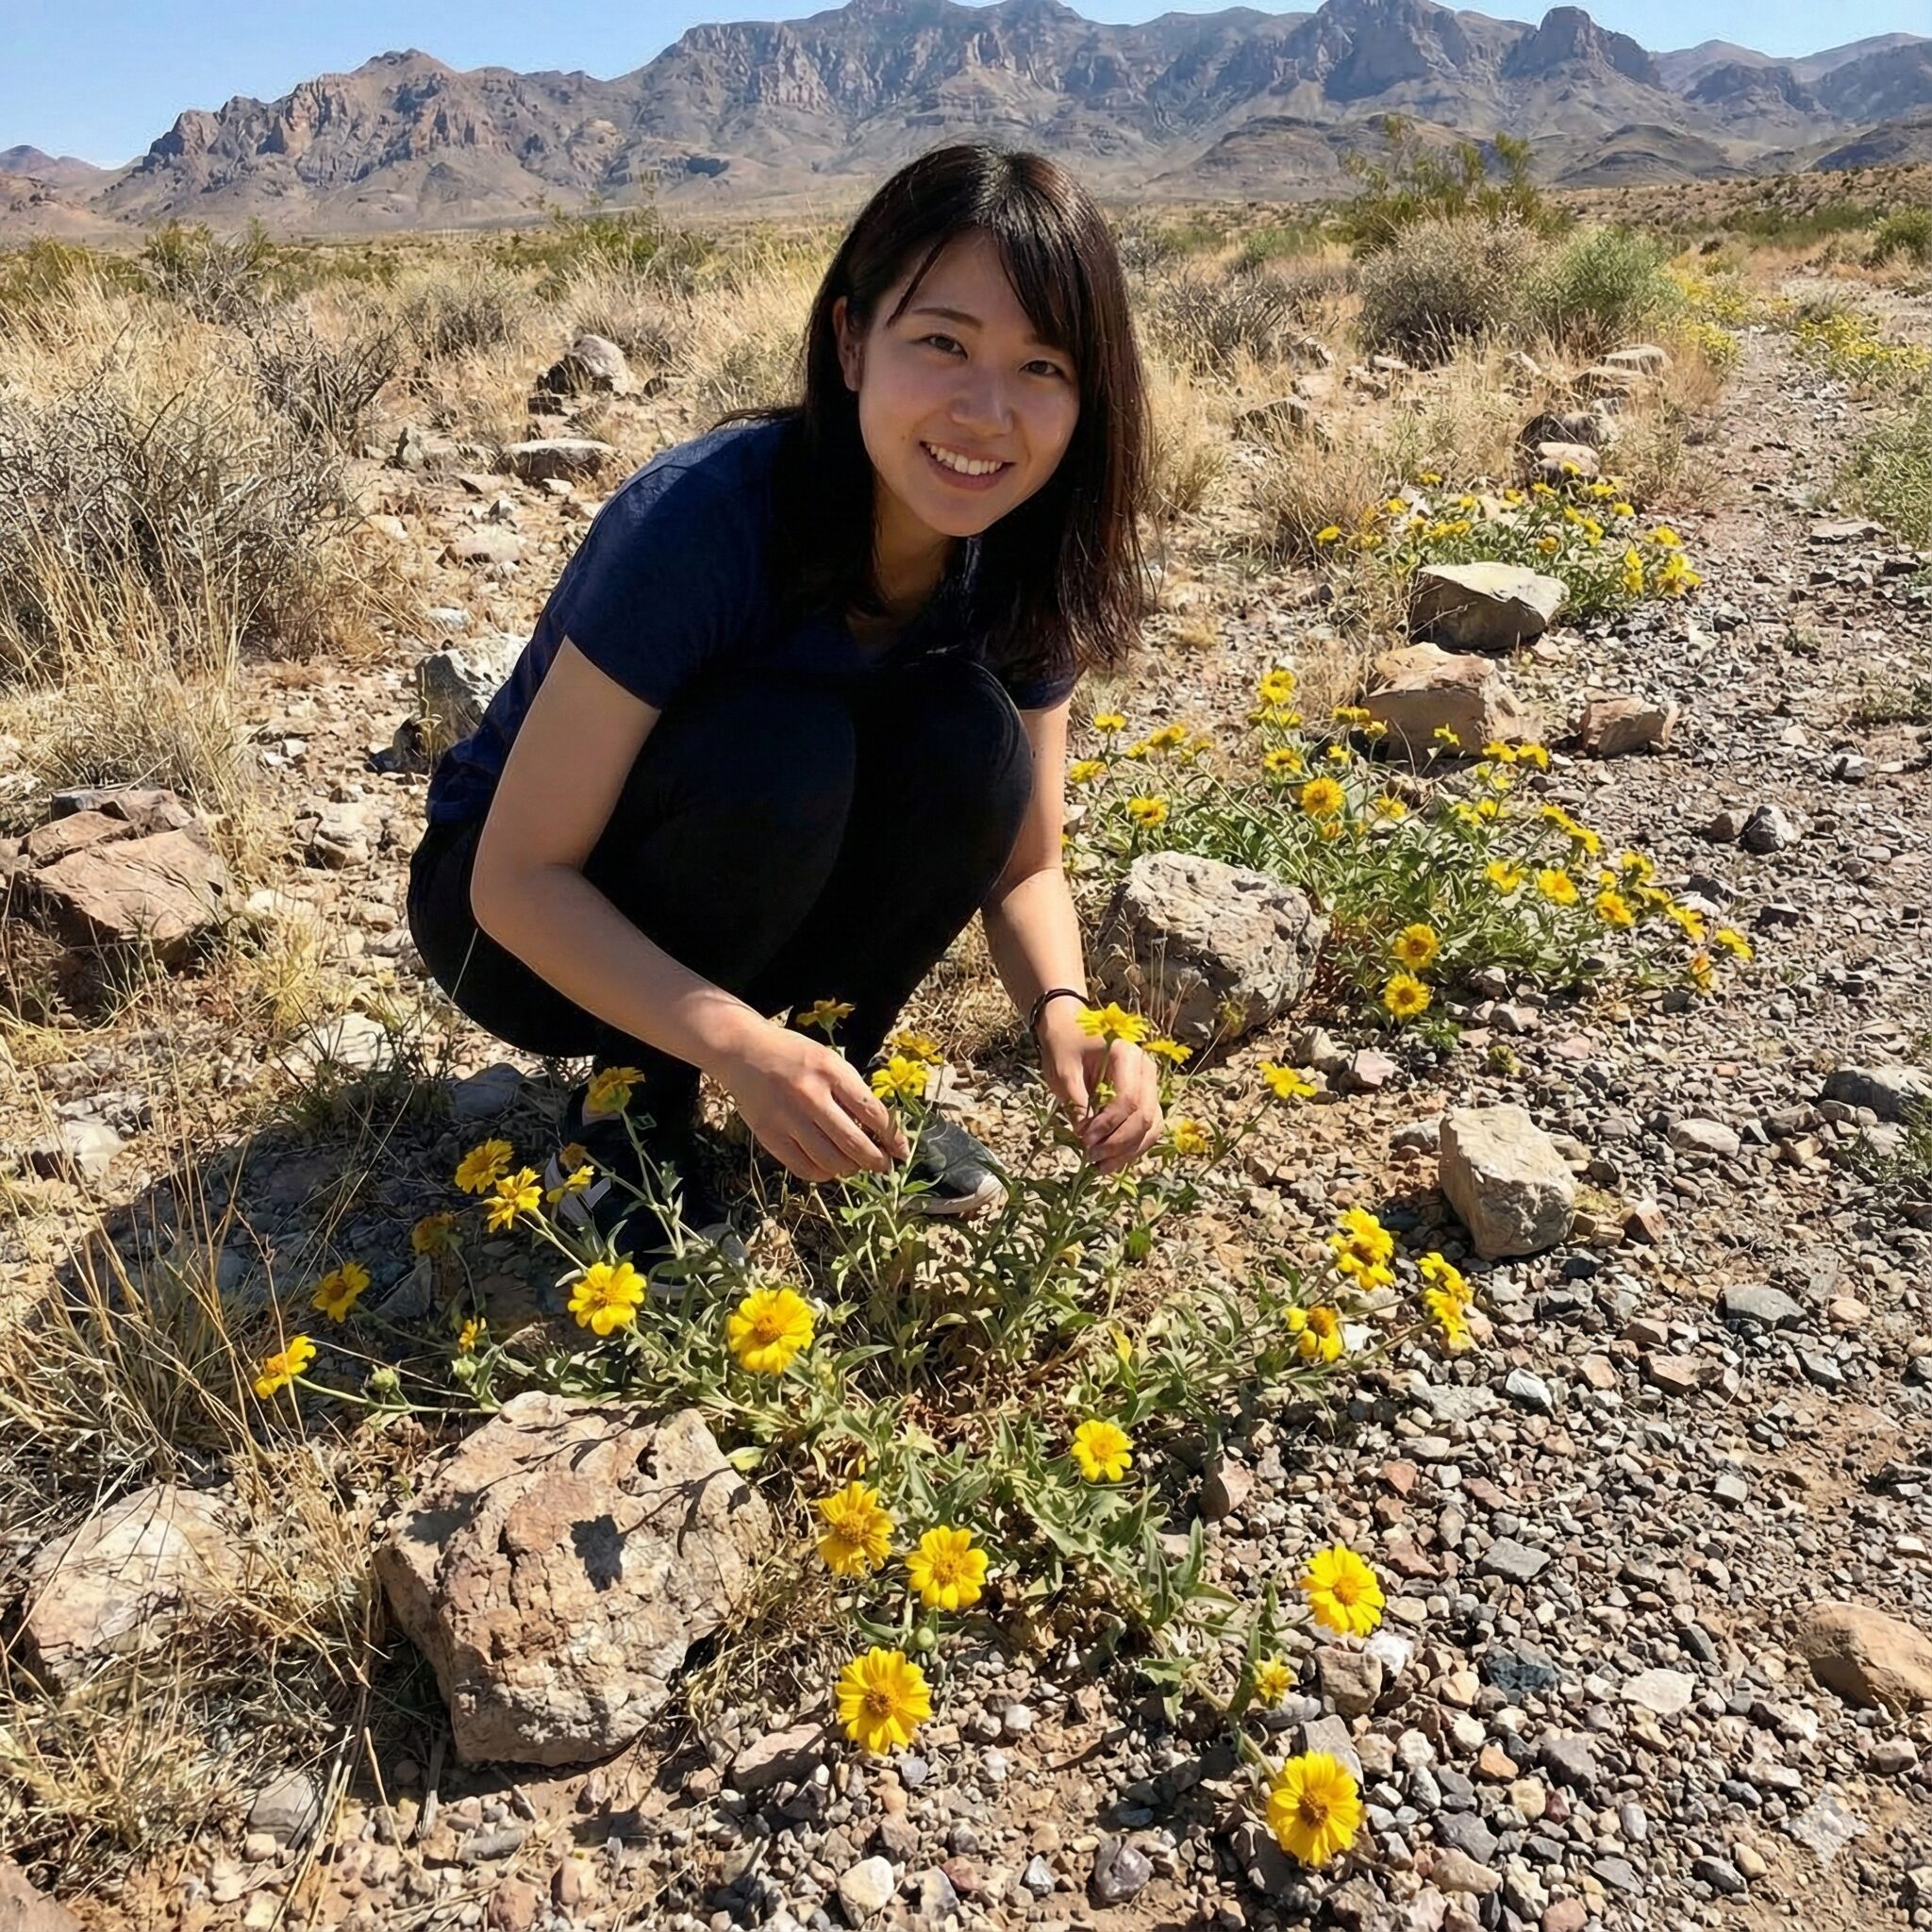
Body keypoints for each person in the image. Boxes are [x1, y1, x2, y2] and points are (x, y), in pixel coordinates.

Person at [406, 142, 1168, 1267]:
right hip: (511, 918)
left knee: (970, 735)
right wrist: (730, 1040)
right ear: (852, 341)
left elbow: (1025, 863)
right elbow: (515, 880)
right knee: (783, 741)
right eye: (943, 343)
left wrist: (1068, 1011)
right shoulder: (703, 522)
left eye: (1042, 365)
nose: (985, 412)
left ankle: (826, 1087)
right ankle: (631, 1111)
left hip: (720, 872)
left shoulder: (1023, 555)